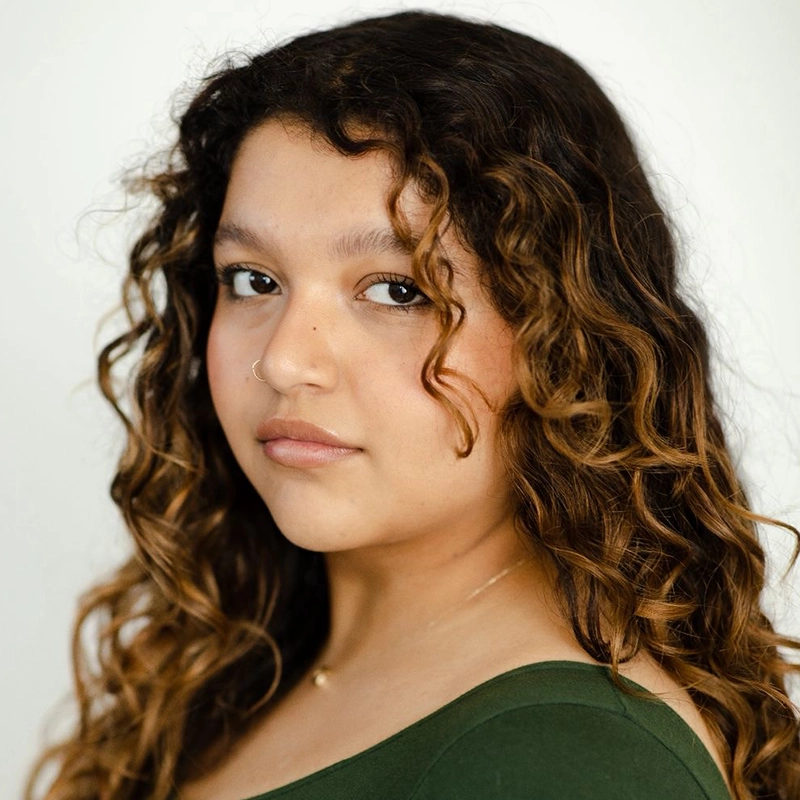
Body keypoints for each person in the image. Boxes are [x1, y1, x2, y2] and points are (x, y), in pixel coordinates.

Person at [25, 10, 800, 800]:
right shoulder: (233, 669)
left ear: (565, 339)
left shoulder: (570, 761)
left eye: (398, 291)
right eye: (253, 279)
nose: (286, 359)